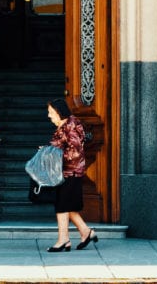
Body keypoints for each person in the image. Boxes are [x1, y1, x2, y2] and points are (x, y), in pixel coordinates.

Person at [45, 97, 99, 252]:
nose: (49, 116)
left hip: (70, 172)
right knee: (67, 205)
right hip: (66, 171)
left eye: (50, 112)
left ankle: (63, 240)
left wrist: (53, 155)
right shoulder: (65, 126)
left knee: (62, 205)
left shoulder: (70, 126)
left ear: (58, 111)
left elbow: (74, 152)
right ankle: (86, 232)